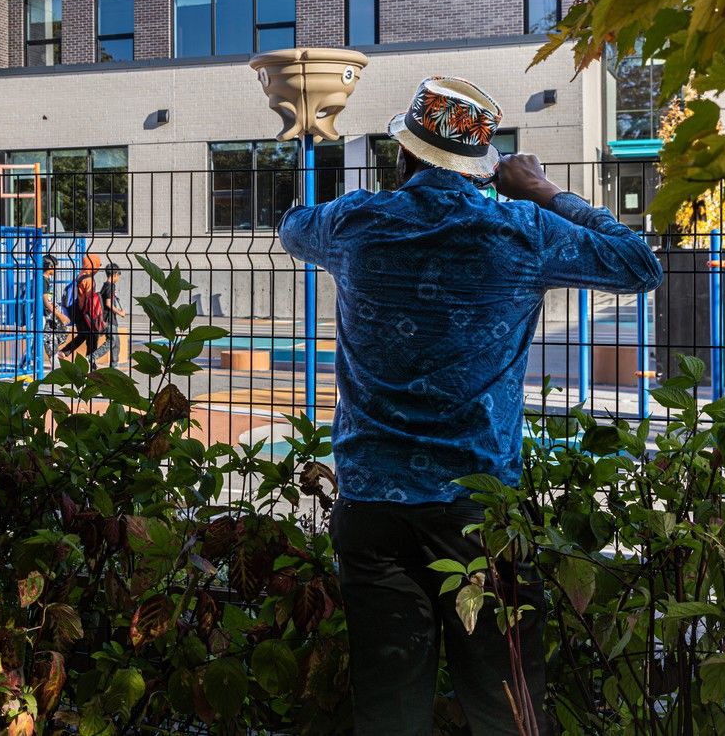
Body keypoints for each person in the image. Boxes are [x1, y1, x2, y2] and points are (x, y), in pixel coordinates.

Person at [277, 77, 663, 736]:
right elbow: (639, 264)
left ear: (403, 153)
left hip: (373, 504)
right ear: (480, 165)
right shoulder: (521, 229)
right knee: (503, 705)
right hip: (479, 513)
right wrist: (544, 191)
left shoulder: (353, 225)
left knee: (389, 709)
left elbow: (292, 226)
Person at [60, 253, 107, 367]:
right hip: (86, 313)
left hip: (77, 312)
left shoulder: (80, 276)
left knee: (82, 335)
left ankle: (64, 352)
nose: (98, 268)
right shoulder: (89, 280)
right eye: (97, 265)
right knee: (92, 338)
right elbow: (89, 298)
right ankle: (91, 364)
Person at [42, 254, 71, 360]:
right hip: (44, 315)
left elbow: (47, 300)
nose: (57, 268)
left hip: (49, 313)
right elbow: (45, 301)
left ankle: (54, 355)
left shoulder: (46, 280)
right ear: (50, 266)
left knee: (61, 331)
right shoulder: (43, 280)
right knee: (42, 340)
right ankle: (54, 357)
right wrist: (60, 315)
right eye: (55, 265)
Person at [98, 263, 126, 368]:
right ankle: (93, 356)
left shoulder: (106, 285)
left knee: (116, 344)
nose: (118, 277)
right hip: (108, 319)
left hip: (110, 318)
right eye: (118, 275)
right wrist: (120, 312)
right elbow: (108, 304)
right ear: (114, 274)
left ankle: (114, 366)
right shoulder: (110, 286)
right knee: (112, 341)